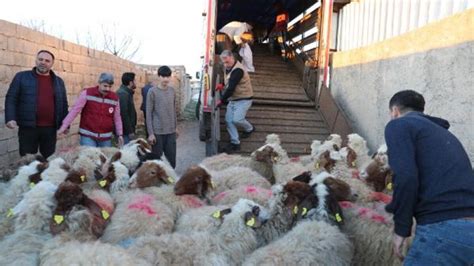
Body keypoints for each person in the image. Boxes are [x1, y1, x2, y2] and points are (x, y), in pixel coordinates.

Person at [384, 90, 474, 265]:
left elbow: (406, 176)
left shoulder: (399, 124)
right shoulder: (443, 133)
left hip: (444, 230)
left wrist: (402, 229)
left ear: (395, 111)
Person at [5, 50, 68, 159]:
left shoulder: (59, 82)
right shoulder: (21, 77)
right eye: (40, 59)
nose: (43, 62)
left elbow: (63, 104)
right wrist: (10, 118)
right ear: (36, 60)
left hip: (50, 129)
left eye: (47, 60)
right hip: (28, 128)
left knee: (48, 161)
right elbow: (11, 98)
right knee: (27, 161)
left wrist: (65, 124)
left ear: (52, 63)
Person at [57, 73, 123, 147]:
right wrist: (64, 126)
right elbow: (75, 111)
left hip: (105, 138)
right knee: (89, 158)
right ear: (99, 83)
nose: (107, 89)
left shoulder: (114, 98)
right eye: (105, 86)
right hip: (88, 136)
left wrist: (120, 134)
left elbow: (117, 117)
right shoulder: (87, 93)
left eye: (110, 86)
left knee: (105, 158)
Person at [218, 50, 255, 152]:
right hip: (233, 99)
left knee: (237, 120)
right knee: (229, 120)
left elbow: (231, 88)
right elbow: (227, 79)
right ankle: (235, 143)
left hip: (244, 98)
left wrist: (221, 100)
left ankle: (250, 128)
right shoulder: (227, 67)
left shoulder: (238, 70)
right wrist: (221, 84)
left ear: (232, 58)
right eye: (224, 62)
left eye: (227, 62)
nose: (226, 64)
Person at [146, 66, 178, 168]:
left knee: (171, 161)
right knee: (156, 162)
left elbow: (173, 110)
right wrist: (151, 133)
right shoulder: (152, 92)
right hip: (157, 132)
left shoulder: (172, 91)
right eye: (163, 76)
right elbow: (148, 113)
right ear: (159, 76)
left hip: (171, 132)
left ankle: (170, 182)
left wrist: (175, 127)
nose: (166, 79)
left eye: (168, 76)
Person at [117, 72, 137, 144]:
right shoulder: (123, 94)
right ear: (131, 82)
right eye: (135, 80)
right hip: (125, 132)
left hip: (127, 131)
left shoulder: (127, 93)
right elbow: (123, 114)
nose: (136, 82)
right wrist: (130, 131)